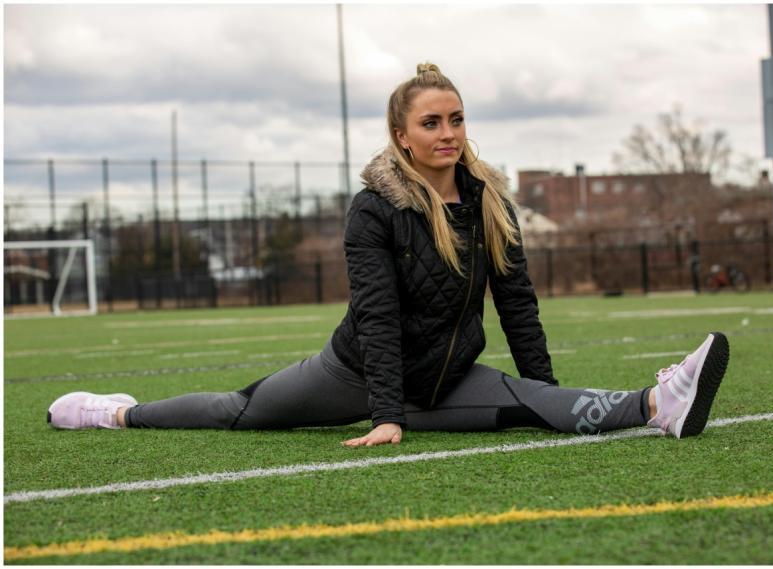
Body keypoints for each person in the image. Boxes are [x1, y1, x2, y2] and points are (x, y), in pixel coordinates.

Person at [47, 63, 729, 446]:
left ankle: (657, 403)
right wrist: (385, 415)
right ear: (401, 136)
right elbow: (375, 316)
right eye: (432, 122)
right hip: (352, 372)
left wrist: (543, 388)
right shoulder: (373, 207)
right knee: (240, 410)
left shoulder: (491, 198)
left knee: (534, 402)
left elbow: (516, 301)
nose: (449, 133)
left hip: (447, 376)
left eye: (457, 118)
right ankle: (114, 412)